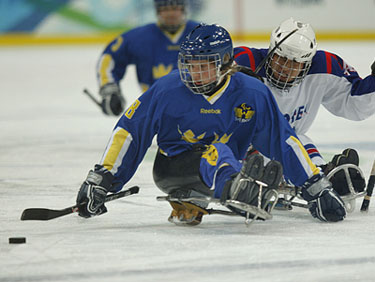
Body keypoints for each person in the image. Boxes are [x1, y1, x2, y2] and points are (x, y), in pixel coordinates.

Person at [76, 24, 346, 225]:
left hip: (228, 163)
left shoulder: (252, 92)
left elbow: (283, 140)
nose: (194, 73)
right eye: (190, 65)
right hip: (173, 168)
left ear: (226, 64)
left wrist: (316, 187)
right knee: (218, 151)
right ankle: (237, 189)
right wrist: (102, 178)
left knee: (246, 153)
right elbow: (129, 132)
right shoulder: (167, 89)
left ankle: (239, 183)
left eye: (204, 65)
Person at [234, 18, 374, 201]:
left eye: (295, 63)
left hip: (292, 145)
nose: (285, 68)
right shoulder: (243, 62)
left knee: (299, 145)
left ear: (308, 62)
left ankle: (325, 175)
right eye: (281, 58)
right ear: (271, 50)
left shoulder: (324, 67)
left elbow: (356, 106)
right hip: (239, 146)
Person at [96, 0, 200, 116]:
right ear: (157, 11)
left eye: (175, 8)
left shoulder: (202, 34)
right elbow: (110, 57)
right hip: (154, 109)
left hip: (198, 109)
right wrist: (110, 90)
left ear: (183, 9)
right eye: (165, 9)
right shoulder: (140, 37)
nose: (171, 13)